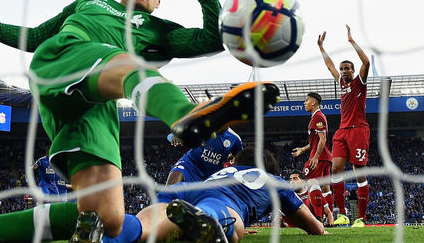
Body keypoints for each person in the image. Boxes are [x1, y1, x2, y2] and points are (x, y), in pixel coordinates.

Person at [0, 0, 280, 242]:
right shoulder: (91, 2)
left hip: (97, 108)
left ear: (158, 1)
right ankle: (187, 116)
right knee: (125, 62)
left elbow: (214, 39)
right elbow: (36, 36)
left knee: (105, 217)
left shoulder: (159, 32)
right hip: (62, 61)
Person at [135, 148, 327, 243]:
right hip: (221, 203)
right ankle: (206, 219)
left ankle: (120, 232)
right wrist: (321, 229)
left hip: (188, 188)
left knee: (145, 225)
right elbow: (314, 228)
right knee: (231, 226)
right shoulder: (275, 180)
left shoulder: (225, 170)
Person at [317, 25, 370, 227]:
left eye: (347, 68)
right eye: (342, 69)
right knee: (336, 169)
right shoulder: (341, 83)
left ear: (353, 70)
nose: (344, 71)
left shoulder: (360, 82)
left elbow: (365, 61)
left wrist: (351, 41)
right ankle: (343, 214)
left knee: (359, 171)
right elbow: (329, 65)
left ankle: (361, 218)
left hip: (358, 129)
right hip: (342, 131)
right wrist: (321, 48)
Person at [291, 92, 334, 224]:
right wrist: (303, 149)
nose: (304, 103)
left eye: (306, 100)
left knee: (309, 184)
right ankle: (330, 219)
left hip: (319, 158)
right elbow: (315, 141)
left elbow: (323, 139)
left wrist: (315, 157)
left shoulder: (318, 117)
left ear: (313, 103)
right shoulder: (317, 117)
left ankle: (318, 218)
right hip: (326, 157)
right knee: (325, 189)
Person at [166, 128, 243, 185]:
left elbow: (240, 163)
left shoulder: (235, 139)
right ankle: (164, 204)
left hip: (212, 175)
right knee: (175, 177)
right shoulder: (200, 126)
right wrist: (174, 137)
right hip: (190, 165)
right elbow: (171, 136)